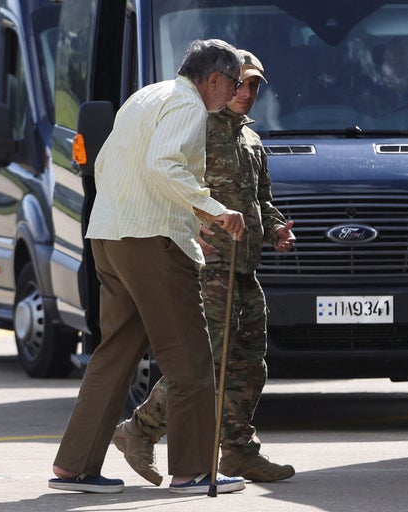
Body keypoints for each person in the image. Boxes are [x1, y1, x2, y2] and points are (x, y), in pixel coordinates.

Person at [48, 39, 248, 495]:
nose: (237, 92)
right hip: (151, 243)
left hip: (110, 235)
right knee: (190, 359)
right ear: (213, 79)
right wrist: (212, 208)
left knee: (114, 353)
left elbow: (107, 162)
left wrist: (180, 213)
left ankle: (74, 467)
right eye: (235, 82)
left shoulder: (146, 95)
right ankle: (192, 471)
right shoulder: (188, 106)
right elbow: (164, 164)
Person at [112, 49, 297, 486]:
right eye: (241, 83)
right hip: (209, 263)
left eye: (254, 86)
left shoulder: (250, 139)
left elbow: (261, 199)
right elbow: (170, 179)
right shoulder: (198, 124)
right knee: (204, 363)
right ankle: (138, 431)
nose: (246, 93)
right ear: (223, 83)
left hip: (244, 265)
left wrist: (274, 230)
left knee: (249, 363)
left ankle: (237, 451)